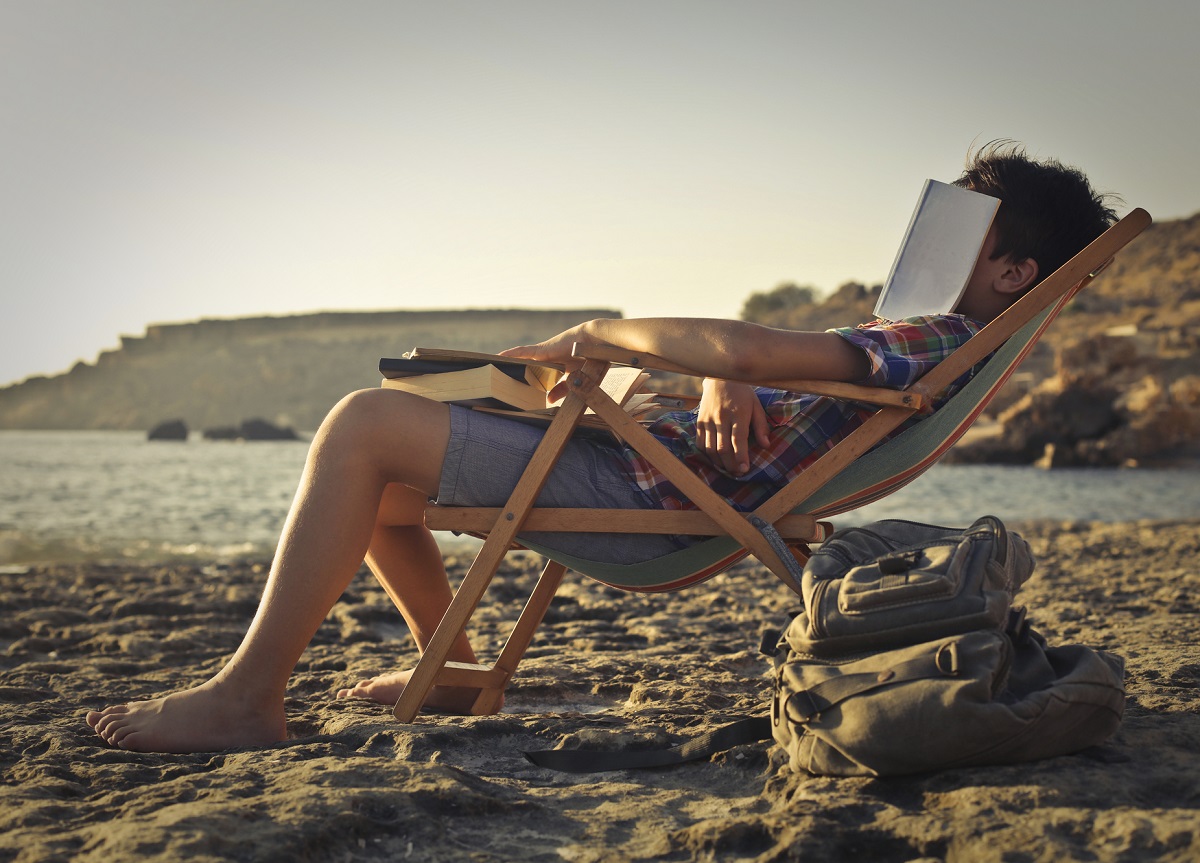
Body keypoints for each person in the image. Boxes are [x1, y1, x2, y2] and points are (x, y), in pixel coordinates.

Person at [87, 141, 1118, 753]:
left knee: (361, 426)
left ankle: (247, 694)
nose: (926, 248)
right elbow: (751, 361)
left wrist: (599, 336)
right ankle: (446, 672)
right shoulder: (929, 340)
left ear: (1015, 270)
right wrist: (721, 372)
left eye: (961, 233)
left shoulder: (925, 338)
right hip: (649, 460)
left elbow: (747, 341)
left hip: (651, 495)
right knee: (392, 487)